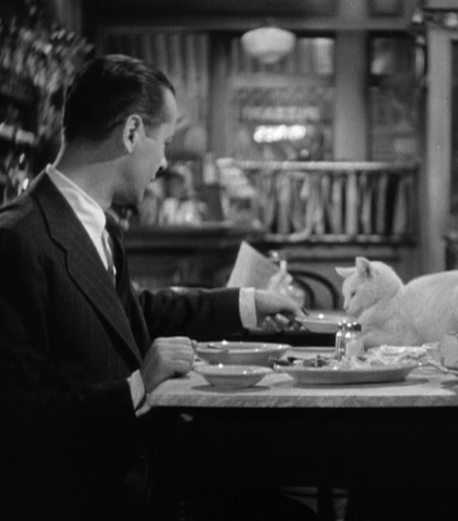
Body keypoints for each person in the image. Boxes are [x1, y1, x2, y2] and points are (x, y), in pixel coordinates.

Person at [0, 54, 311, 521]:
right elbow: (14, 421)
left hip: (143, 478)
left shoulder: (99, 225)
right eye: (163, 142)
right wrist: (138, 385)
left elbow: (131, 313)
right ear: (131, 133)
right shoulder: (16, 239)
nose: (164, 162)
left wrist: (247, 304)